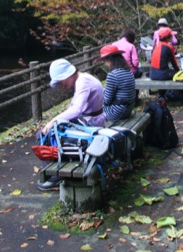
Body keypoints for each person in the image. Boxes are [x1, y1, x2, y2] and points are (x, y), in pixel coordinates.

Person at [36, 59, 105, 191]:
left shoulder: (83, 82)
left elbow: (76, 109)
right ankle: (53, 170)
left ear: (67, 75)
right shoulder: (84, 78)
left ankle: (54, 174)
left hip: (89, 126)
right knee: (49, 133)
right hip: (91, 122)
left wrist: (53, 121)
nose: (61, 84)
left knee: (44, 135)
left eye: (61, 80)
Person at [99, 44, 137, 122]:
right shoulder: (128, 71)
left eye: (104, 60)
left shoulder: (113, 75)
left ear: (109, 58)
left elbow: (107, 101)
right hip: (128, 109)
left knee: (93, 110)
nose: (104, 63)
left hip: (116, 112)